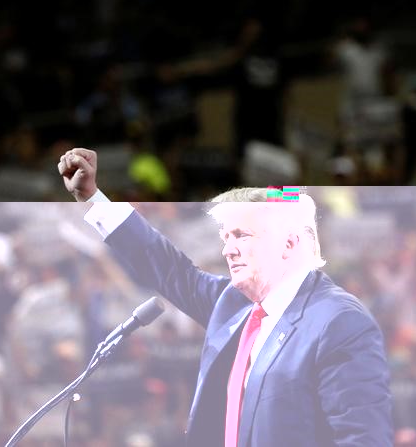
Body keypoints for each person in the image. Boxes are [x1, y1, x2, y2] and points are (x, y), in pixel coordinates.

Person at [57, 148, 393, 447]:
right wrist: (93, 198)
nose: (227, 249)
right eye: (225, 237)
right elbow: (168, 268)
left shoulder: (339, 322)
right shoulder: (233, 304)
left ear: (289, 244)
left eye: (241, 236)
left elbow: (362, 439)